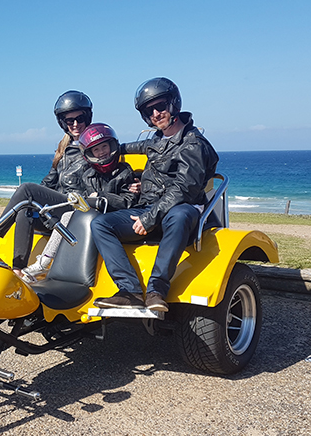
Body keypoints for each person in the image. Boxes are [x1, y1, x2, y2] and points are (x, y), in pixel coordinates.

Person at [91, 77, 219, 312]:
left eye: (160, 106)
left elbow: (184, 189)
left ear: (174, 104)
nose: (156, 114)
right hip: (149, 209)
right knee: (100, 224)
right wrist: (97, 148)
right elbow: (129, 147)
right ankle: (129, 290)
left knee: (179, 214)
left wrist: (150, 218)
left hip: (180, 211)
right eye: (149, 111)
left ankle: (157, 289)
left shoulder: (194, 145)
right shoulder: (157, 141)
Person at [0, 90, 93, 272]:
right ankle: (18, 268)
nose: (75, 124)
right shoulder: (64, 148)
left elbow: (117, 152)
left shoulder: (95, 145)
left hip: (77, 207)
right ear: (63, 123)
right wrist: (33, 202)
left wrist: (133, 180)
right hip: (57, 209)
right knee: (24, 210)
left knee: (26, 188)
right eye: (70, 120)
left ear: (87, 118)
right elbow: (48, 182)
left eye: (80, 118)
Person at [20, 123, 137, 283]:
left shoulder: (124, 171)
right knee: (63, 214)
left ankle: (44, 262)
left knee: (69, 215)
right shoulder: (89, 174)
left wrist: (102, 197)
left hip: (111, 215)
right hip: (90, 215)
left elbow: (127, 200)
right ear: (89, 154)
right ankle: (35, 263)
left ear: (112, 145)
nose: (101, 152)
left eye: (104, 147)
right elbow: (84, 197)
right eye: (96, 150)